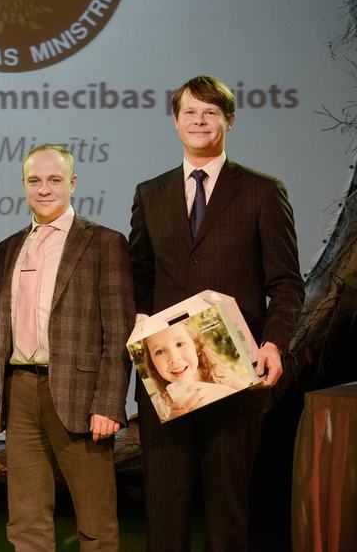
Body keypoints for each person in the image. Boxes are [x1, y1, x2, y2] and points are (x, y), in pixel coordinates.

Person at [129, 75, 305, 551]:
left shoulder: (264, 192)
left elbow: (286, 282)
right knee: (163, 511)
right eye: (190, 112)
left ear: (230, 120)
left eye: (211, 112)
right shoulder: (150, 193)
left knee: (229, 512)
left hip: (235, 373)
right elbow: (138, 274)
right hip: (165, 376)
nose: (200, 121)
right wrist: (140, 319)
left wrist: (274, 343)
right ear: (175, 122)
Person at [0, 144, 133, 552]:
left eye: (55, 180)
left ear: (73, 183)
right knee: (25, 521)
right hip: (20, 391)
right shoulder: (9, 248)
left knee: (96, 522)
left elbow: (119, 331)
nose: (45, 189)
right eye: (35, 181)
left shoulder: (103, 243)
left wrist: (110, 403)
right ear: (24, 185)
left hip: (81, 397)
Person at [138, 321, 249, 421]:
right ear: (152, 364)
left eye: (180, 344)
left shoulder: (221, 376)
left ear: (196, 347)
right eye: (160, 352)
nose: (174, 359)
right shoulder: (160, 405)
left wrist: (222, 393)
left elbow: (252, 402)